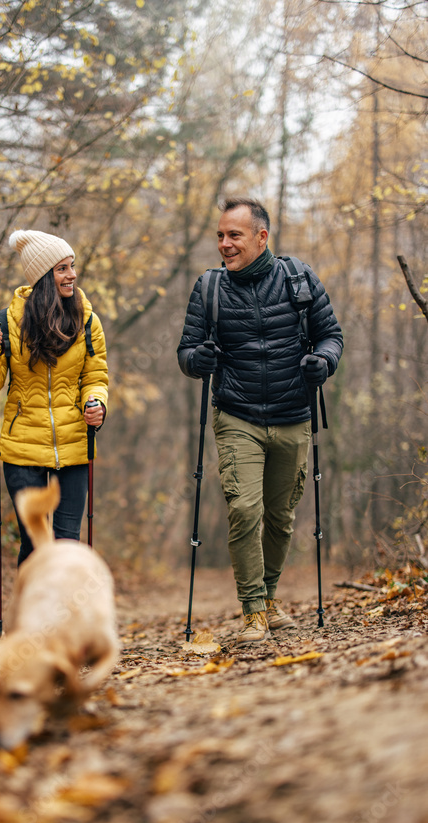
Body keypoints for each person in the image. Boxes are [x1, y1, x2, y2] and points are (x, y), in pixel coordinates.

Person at [177, 197, 343, 644]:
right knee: (245, 509)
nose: (225, 245)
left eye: (234, 235)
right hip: (237, 413)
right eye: (220, 236)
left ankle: (269, 598)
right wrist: (200, 359)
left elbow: (331, 336)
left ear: (261, 237)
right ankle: (252, 610)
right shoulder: (209, 288)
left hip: (294, 415)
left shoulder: (299, 279)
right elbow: (186, 354)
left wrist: (322, 363)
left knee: (281, 516)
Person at [0, 229, 108, 564]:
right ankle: (31, 615)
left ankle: (63, 617)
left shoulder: (87, 321)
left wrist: (97, 404)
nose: (72, 275)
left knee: (66, 546)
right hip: (21, 448)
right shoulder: (7, 322)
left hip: (75, 444)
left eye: (72, 266)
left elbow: (95, 375)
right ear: (44, 276)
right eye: (63, 268)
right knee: (36, 544)